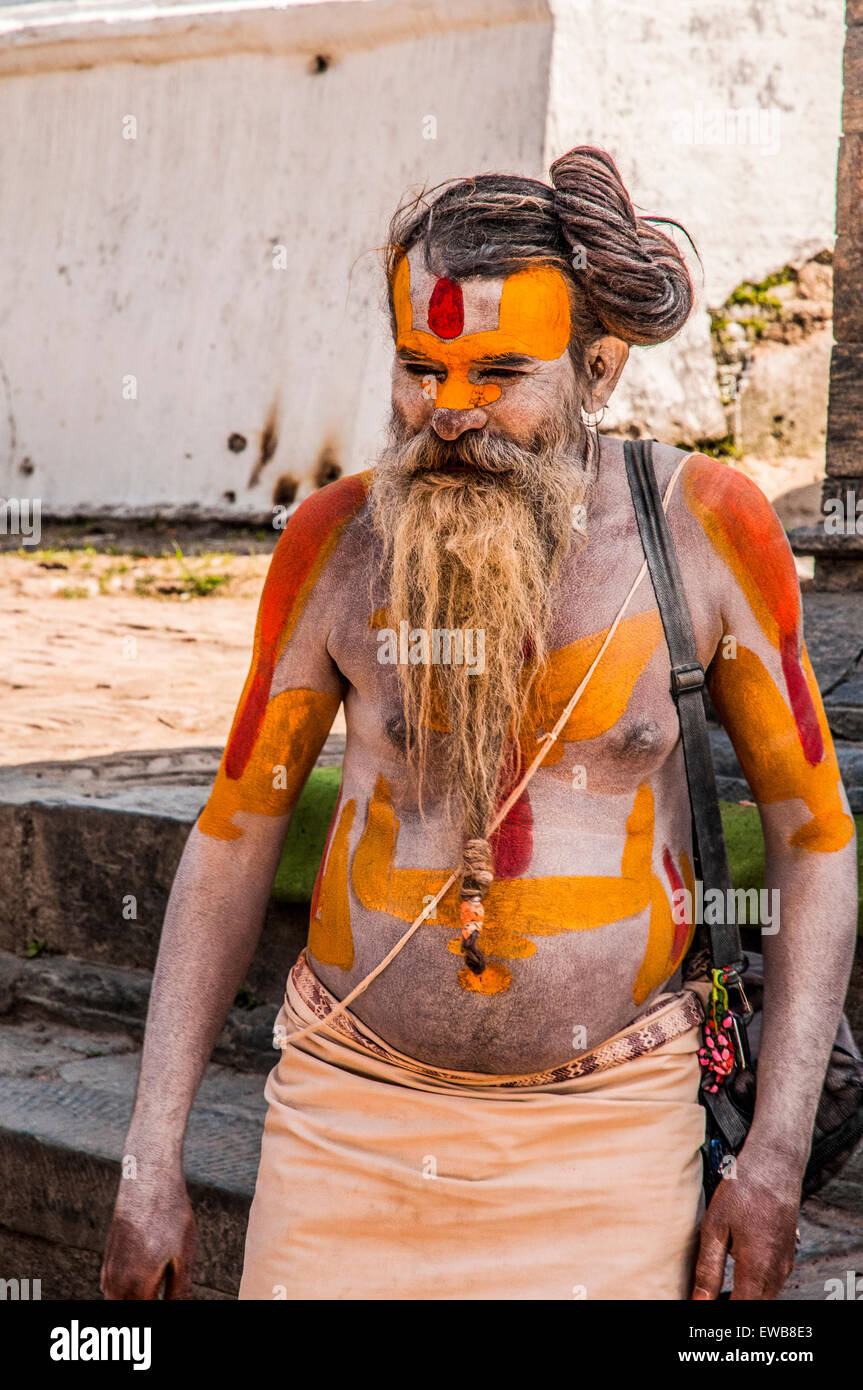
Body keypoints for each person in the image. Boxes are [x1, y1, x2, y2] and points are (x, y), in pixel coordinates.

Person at [101, 146, 857, 1301]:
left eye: (498, 371)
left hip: (610, 1136)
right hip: (345, 1124)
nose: (446, 413)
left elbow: (811, 841)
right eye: (417, 367)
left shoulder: (707, 530)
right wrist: (149, 1156)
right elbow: (234, 831)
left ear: (598, 366)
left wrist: (773, 1153)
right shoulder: (335, 546)